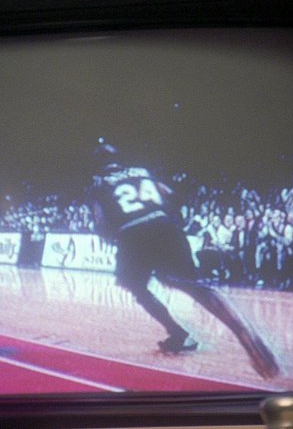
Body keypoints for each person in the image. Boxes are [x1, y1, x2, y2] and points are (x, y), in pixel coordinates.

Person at [88, 142, 280, 379]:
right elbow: (169, 193)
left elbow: (101, 221)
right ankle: (244, 332)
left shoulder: (97, 183)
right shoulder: (142, 171)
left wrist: (112, 236)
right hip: (165, 226)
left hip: (133, 234)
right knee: (196, 287)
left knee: (136, 287)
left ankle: (176, 332)